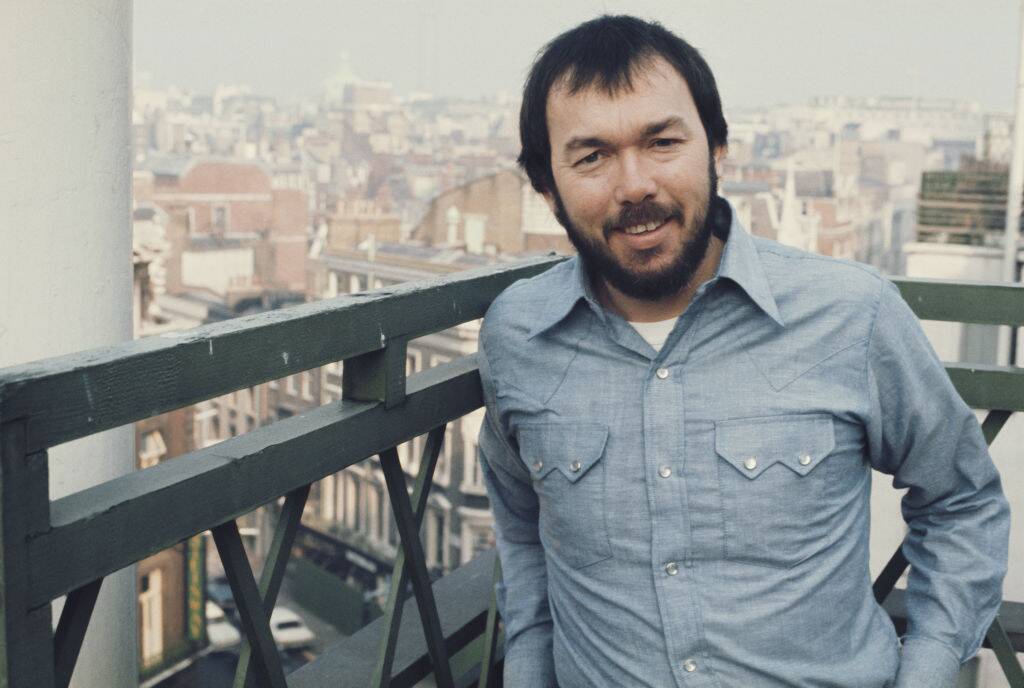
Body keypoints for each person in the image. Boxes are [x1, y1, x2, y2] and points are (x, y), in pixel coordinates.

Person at [476, 14, 1010, 688]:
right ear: (547, 187)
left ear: (717, 148)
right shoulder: (516, 336)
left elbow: (961, 500)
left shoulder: (849, 313)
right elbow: (522, 528)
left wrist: (929, 671)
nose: (635, 183)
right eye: (592, 156)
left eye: (662, 141)